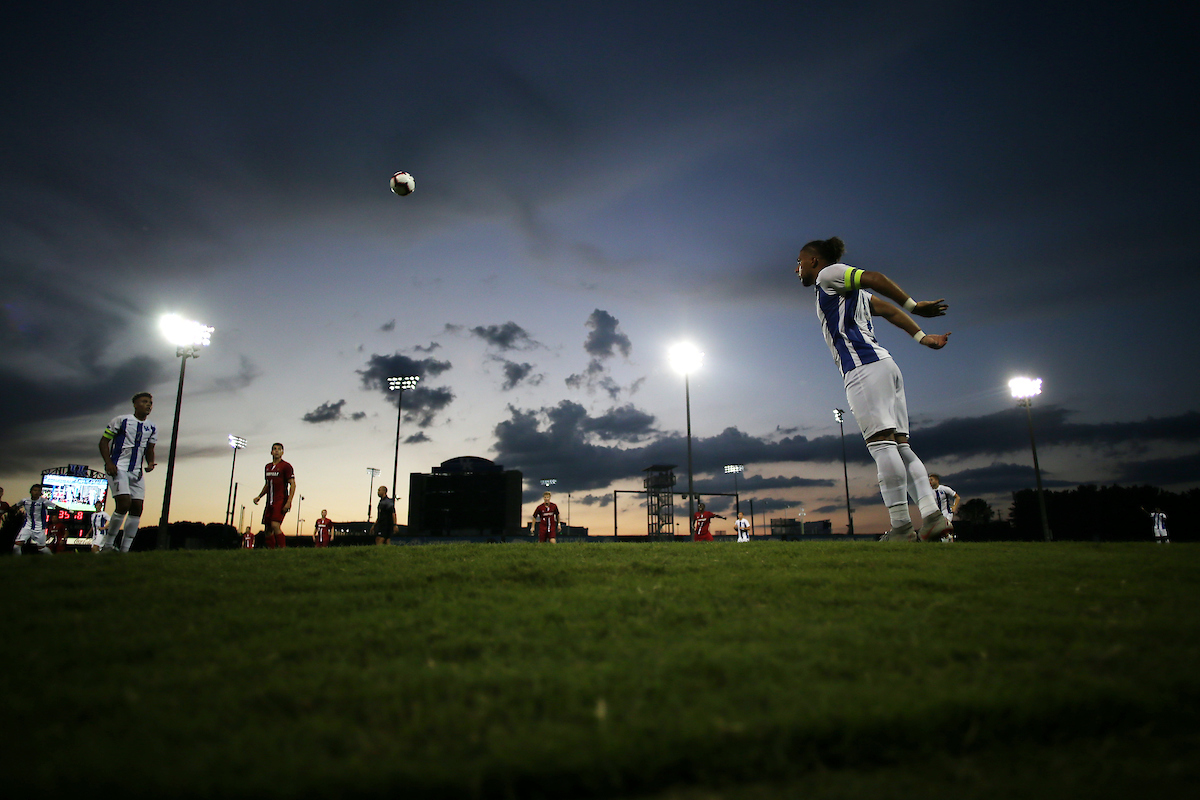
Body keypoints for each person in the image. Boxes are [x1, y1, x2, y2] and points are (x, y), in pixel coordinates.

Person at [796, 237, 951, 543]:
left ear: (814, 261)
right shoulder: (851, 296)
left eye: (799, 261)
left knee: (881, 446)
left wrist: (915, 306)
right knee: (900, 446)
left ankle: (902, 528)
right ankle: (932, 517)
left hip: (864, 368)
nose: (797, 268)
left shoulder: (829, 276)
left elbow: (876, 278)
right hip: (886, 366)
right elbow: (887, 310)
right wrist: (922, 338)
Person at [98, 392, 158, 553]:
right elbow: (103, 442)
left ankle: (125, 550)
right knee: (124, 503)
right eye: (144, 402)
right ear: (135, 404)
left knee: (137, 507)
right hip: (118, 468)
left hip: (136, 472)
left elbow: (150, 449)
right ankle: (108, 545)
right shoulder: (121, 420)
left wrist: (150, 462)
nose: (148, 405)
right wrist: (109, 462)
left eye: (150, 403)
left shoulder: (152, 427)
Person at [252, 443, 295, 549]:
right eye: (274, 449)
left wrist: (289, 501)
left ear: (282, 452)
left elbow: (293, 484)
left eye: (279, 449)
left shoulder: (286, 466)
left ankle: (282, 549)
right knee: (267, 528)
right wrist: (259, 496)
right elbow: (267, 484)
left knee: (275, 525)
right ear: (271, 452)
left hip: (280, 500)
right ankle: (271, 551)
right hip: (269, 501)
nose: (276, 451)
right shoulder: (268, 467)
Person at [11, 483, 60, 555]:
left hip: (39, 528)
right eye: (35, 490)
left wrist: (70, 511)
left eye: (38, 491)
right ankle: (16, 562)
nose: (36, 492)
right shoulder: (25, 500)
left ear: (40, 492)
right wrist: (10, 510)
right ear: (31, 491)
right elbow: (15, 506)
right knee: (16, 546)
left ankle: (51, 559)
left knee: (42, 548)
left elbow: (56, 507)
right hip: (27, 526)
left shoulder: (44, 501)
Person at [928, 474, 959, 541]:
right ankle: (948, 541)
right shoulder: (929, 492)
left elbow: (957, 497)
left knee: (944, 527)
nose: (930, 482)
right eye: (929, 480)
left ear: (937, 480)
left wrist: (954, 506)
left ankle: (950, 538)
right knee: (942, 532)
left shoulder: (944, 489)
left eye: (931, 480)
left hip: (947, 512)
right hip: (938, 515)